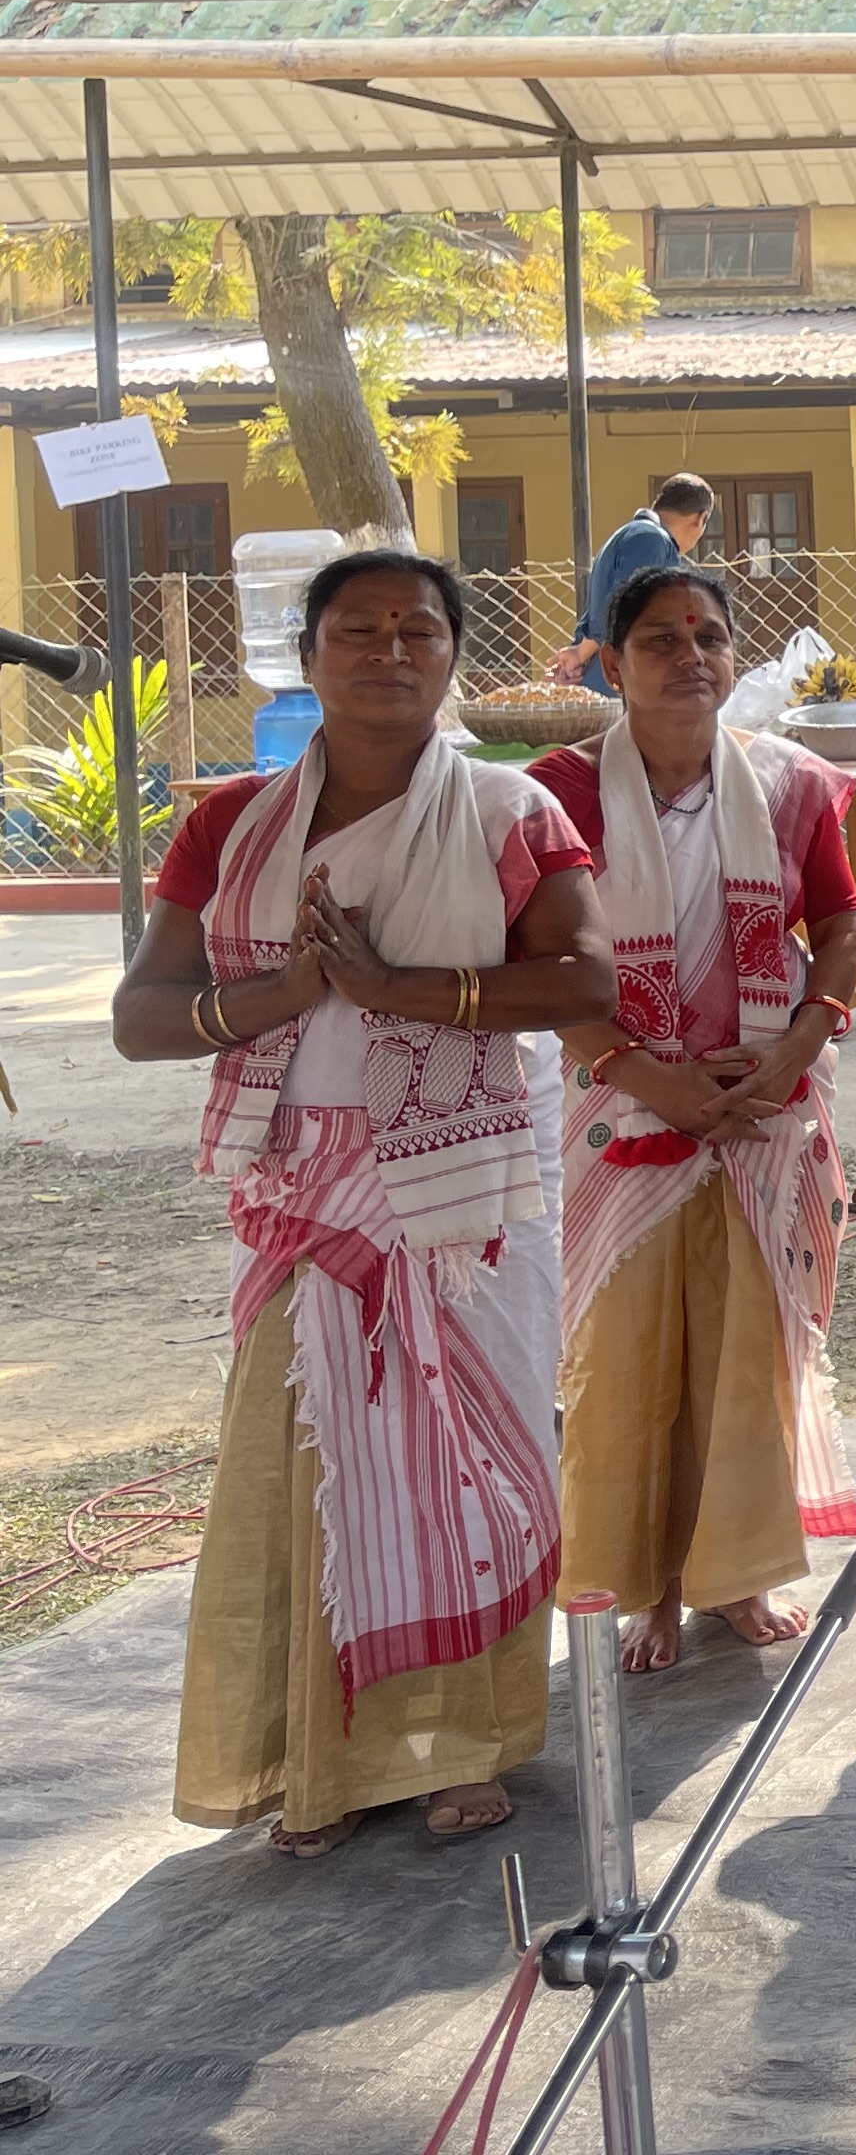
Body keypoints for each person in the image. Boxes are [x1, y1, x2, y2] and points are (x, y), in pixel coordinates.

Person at [116, 551, 613, 1855]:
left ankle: (459, 1748)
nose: (389, 651)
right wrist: (279, 996)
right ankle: (315, 1764)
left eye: (417, 630)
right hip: (304, 1194)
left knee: (467, 1466)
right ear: (308, 655)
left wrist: (403, 991)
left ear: (452, 656)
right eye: (358, 629)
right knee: (313, 1464)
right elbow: (141, 1017)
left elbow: (586, 985)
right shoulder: (232, 826)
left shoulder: (509, 811)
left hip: (462, 1202)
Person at [535, 562, 856, 1674]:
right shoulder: (558, 794)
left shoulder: (789, 783)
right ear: (611, 663)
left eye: (710, 638)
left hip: (765, 1106)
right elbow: (534, 959)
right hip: (622, 1105)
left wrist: (797, 1046)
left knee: (747, 1348)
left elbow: (841, 924)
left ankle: (738, 1575)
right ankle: (650, 1585)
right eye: (661, 642)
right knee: (631, 1351)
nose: (691, 659)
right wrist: (647, 1075)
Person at [553, 472, 713, 693]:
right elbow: (623, 609)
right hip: (623, 682)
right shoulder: (651, 540)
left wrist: (579, 655)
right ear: (700, 519)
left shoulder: (632, 534)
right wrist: (580, 654)